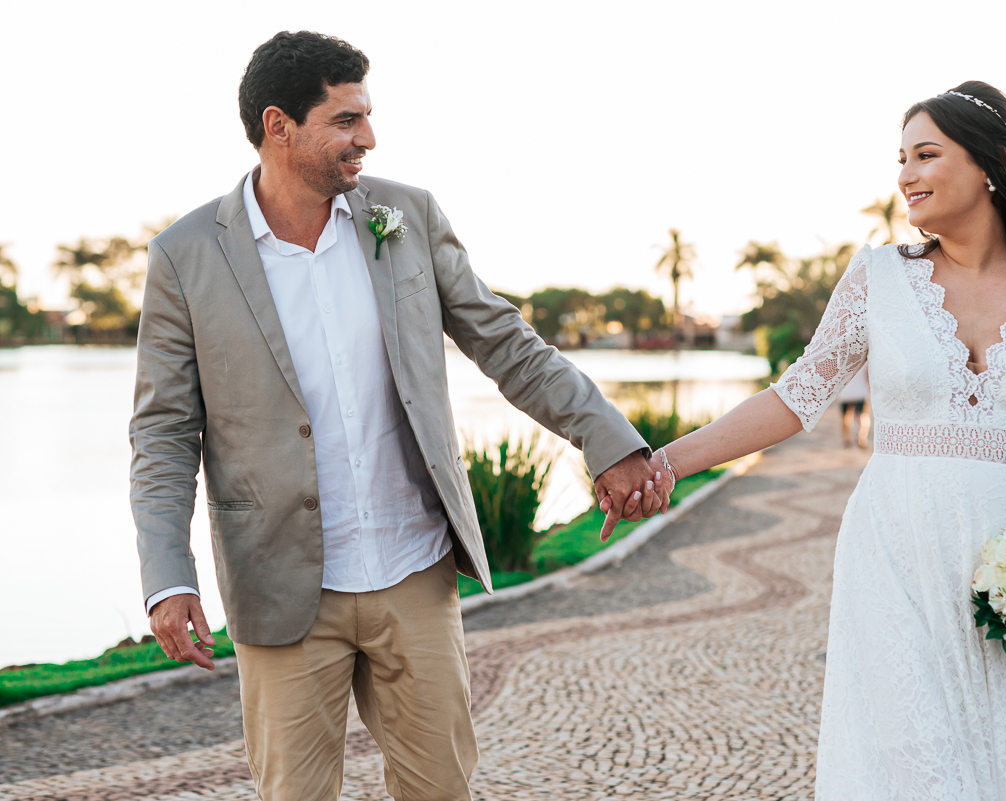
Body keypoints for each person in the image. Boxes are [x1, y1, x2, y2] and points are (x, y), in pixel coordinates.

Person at [130, 31, 666, 801]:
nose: (368, 138)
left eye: (367, 117)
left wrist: (606, 438)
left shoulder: (406, 216)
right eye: (346, 120)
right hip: (279, 585)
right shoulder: (184, 256)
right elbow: (163, 431)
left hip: (413, 568)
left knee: (442, 790)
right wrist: (166, 575)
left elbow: (508, 343)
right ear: (280, 126)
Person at [623, 82, 1006, 798]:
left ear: (986, 167)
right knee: (914, 760)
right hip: (894, 548)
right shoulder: (879, 278)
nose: (906, 175)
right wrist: (664, 461)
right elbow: (795, 398)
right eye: (901, 159)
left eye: (925, 155)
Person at [837, 365, 870, 448]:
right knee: (863, 415)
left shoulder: (843, 359)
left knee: (845, 416)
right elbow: (868, 375)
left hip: (845, 392)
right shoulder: (865, 359)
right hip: (860, 391)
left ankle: (847, 438)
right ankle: (862, 438)